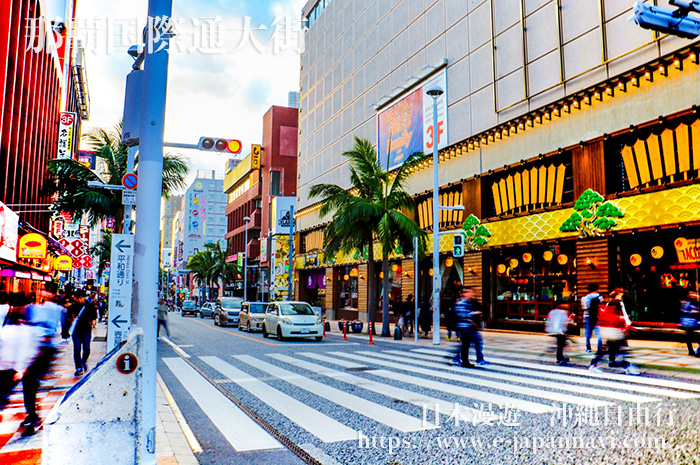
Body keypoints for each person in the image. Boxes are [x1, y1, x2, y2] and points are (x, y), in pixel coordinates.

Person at [20, 293, 64, 436]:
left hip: (42, 351)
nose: (42, 294)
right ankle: (31, 414)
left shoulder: (53, 310)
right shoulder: (34, 309)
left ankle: (34, 417)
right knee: (28, 383)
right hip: (33, 350)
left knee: (31, 382)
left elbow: (52, 332)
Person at [589, 290, 639, 375]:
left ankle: (595, 364)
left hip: (611, 330)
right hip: (614, 331)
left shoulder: (609, 305)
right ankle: (627, 366)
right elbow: (618, 317)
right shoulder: (616, 304)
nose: (621, 297)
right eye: (620, 295)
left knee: (609, 349)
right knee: (619, 349)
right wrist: (624, 323)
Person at [451, 287, 488, 367]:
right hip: (464, 327)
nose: (472, 294)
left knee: (468, 343)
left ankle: (464, 359)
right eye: (469, 292)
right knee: (466, 344)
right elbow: (460, 314)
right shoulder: (461, 303)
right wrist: (473, 314)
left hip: (469, 327)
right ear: (464, 294)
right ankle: (463, 360)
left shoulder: (469, 302)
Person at [69, 289, 97, 376]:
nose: (80, 299)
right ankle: (78, 367)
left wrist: (93, 324)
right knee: (77, 349)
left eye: (82, 297)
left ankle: (83, 360)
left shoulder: (89, 306)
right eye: (79, 298)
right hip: (76, 331)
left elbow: (93, 317)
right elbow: (69, 318)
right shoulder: (73, 307)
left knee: (87, 349)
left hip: (86, 330)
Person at [581, 283, 603, 353]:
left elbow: (584, 307)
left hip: (588, 316)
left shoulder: (585, 298)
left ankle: (588, 348)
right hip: (597, 316)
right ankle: (599, 348)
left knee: (588, 333)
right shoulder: (600, 297)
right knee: (598, 333)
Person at [679, 291, 700, 356]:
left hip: (693, 322)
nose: (694, 295)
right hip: (689, 322)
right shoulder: (686, 303)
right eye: (692, 294)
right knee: (690, 336)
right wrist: (693, 312)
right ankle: (692, 350)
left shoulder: (696, 303)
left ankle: (694, 350)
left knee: (690, 336)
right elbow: (683, 311)